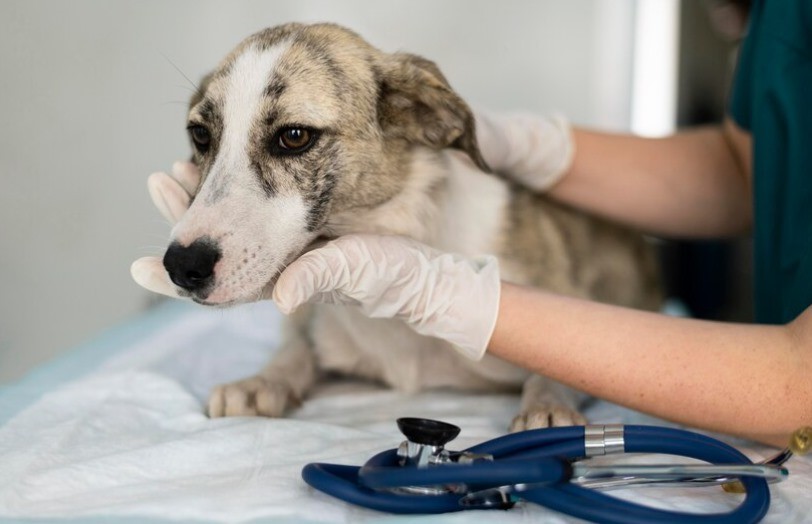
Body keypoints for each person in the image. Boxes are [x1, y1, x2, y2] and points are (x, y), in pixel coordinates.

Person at [134, 0, 810, 447]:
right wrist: (285, 367)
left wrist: (479, 321)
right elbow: (750, 167)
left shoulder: (500, 231)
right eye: (206, 136)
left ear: (413, 116)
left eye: (291, 138)